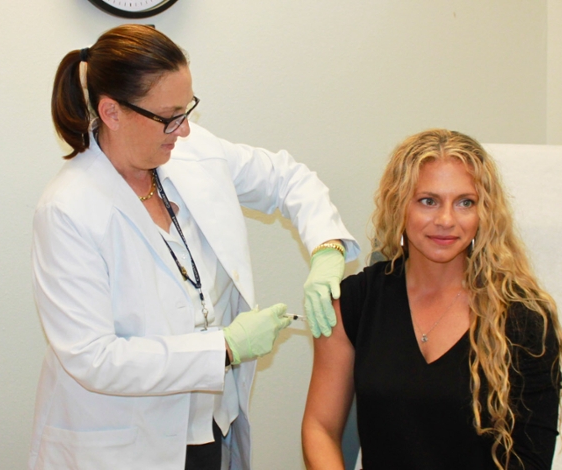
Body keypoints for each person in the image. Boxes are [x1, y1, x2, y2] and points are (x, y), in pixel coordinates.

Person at [28, 24, 358, 470]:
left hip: (211, 426)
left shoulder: (192, 153)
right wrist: (224, 349)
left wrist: (327, 250)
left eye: (187, 110)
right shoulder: (68, 209)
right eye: (169, 117)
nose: (183, 130)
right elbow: (94, 358)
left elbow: (286, 178)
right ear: (111, 112)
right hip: (126, 444)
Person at [302, 129, 562, 470]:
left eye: (465, 202)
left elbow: (531, 459)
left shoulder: (524, 319)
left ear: (484, 212)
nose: (446, 220)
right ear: (399, 204)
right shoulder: (355, 302)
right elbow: (319, 428)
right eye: (428, 201)